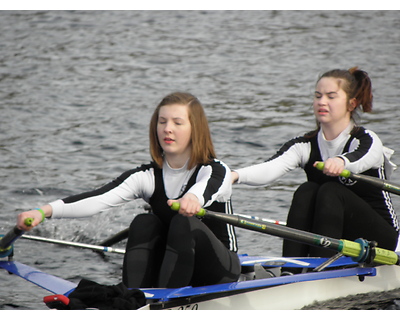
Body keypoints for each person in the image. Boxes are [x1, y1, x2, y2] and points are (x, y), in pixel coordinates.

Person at [17, 92, 240, 288]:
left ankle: (165, 304)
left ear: (195, 130)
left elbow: (206, 188)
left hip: (218, 270)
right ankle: (135, 296)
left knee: (184, 223)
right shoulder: (147, 176)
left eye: (177, 123)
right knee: (144, 222)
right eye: (162, 122)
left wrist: (192, 198)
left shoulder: (215, 170)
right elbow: (98, 198)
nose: (167, 129)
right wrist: (42, 212)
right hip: (176, 266)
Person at [232, 67, 399, 274]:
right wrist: (234, 176)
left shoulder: (366, 140)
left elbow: (361, 159)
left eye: (331, 96)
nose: (322, 102)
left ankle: (322, 272)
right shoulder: (305, 145)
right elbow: (270, 167)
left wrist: (341, 161)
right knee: (307, 190)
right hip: (334, 231)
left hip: (380, 240)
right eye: (318, 96)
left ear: (351, 103)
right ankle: (290, 269)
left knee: (331, 190)